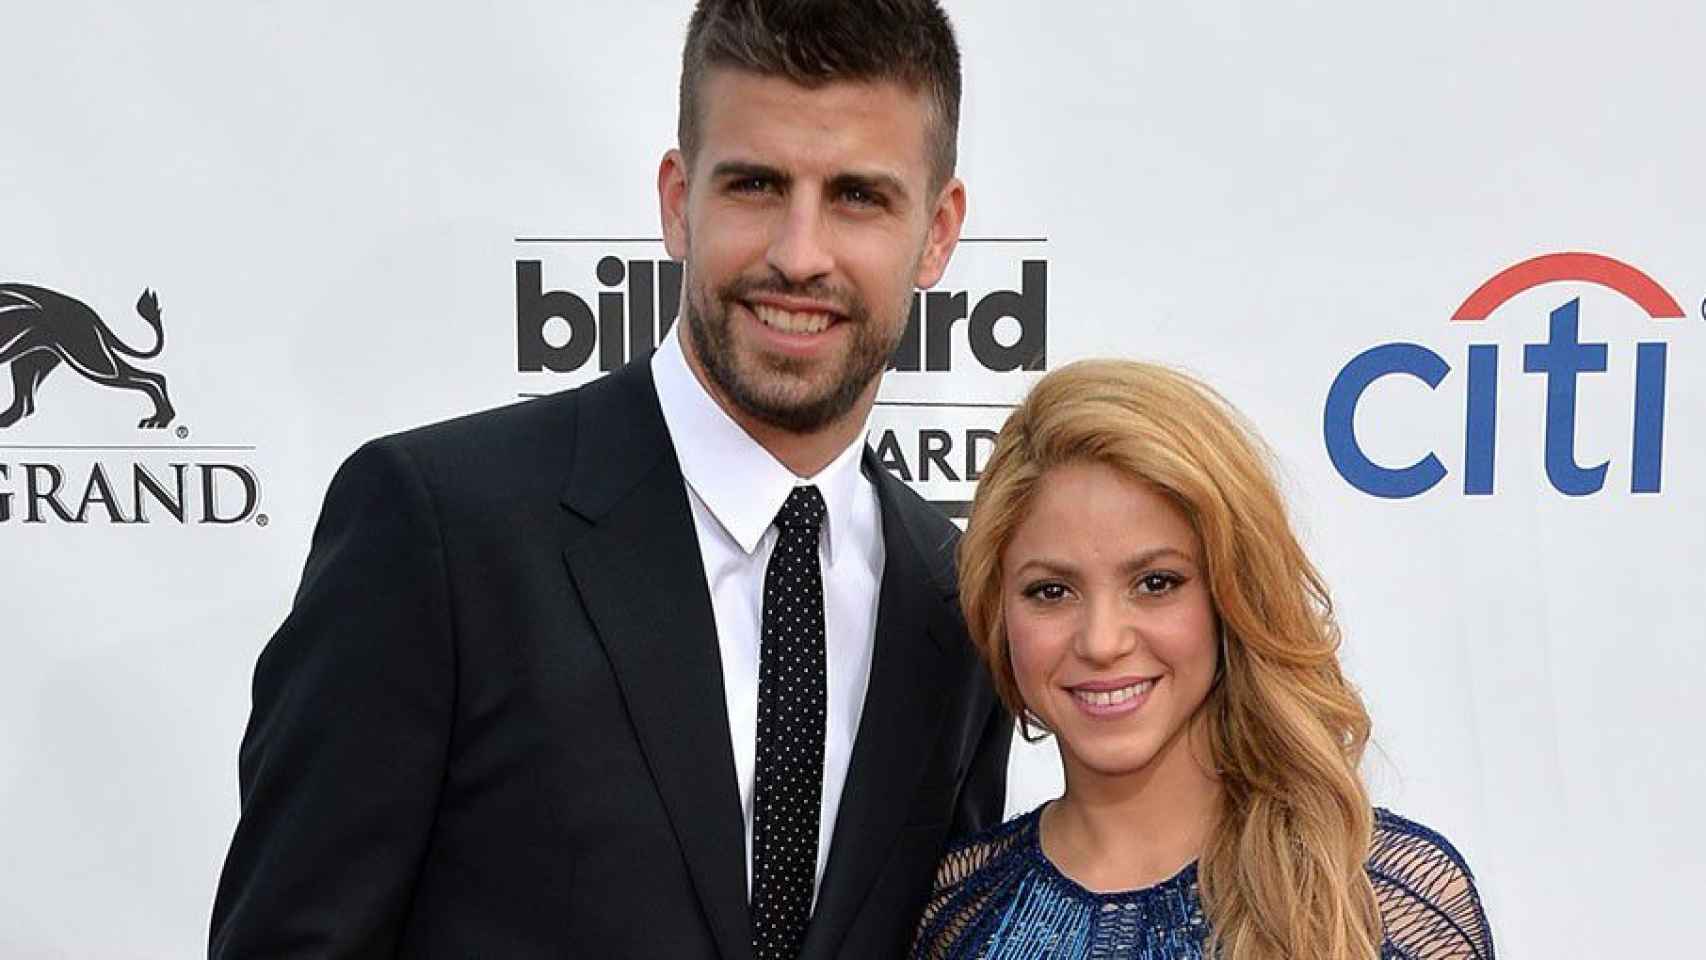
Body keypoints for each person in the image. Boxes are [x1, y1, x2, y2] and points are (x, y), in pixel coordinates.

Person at [209, 2, 1011, 957]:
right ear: (678, 201)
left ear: (938, 231)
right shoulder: (439, 530)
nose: (800, 255)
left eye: (857, 197)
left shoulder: (960, 603)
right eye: (755, 185)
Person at [912, 360, 1495, 960]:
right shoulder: (953, 916)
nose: (1102, 641)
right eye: (1051, 591)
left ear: (1229, 595)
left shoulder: (1381, 899)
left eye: (1156, 582)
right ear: (997, 609)